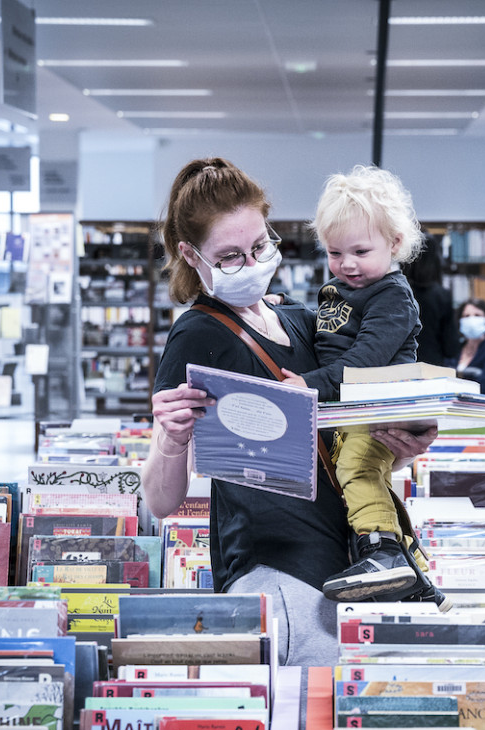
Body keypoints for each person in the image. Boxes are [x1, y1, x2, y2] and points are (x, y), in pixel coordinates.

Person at [141, 158, 436, 667]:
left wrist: (402, 447)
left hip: (353, 559)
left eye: (260, 245)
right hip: (279, 570)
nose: (252, 262)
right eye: (230, 256)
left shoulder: (305, 319)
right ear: (191, 255)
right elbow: (161, 501)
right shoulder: (199, 335)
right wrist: (170, 440)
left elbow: (335, 444)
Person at [278, 165, 450, 611]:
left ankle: (383, 552)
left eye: (360, 250)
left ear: (395, 244)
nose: (347, 264)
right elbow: (327, 339)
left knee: (358, 470)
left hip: (378, 408)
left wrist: (308, 386)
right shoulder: (338, 289)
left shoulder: (393, 297)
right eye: (335, 252)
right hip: (348, 411)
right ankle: (414, 577)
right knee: (361, 480)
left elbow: (362, 363)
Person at [401, 236, 460, 367]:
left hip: (403, 365)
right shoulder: (442, 295)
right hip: (433, 367)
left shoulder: (398, 292)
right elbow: (451, 347)